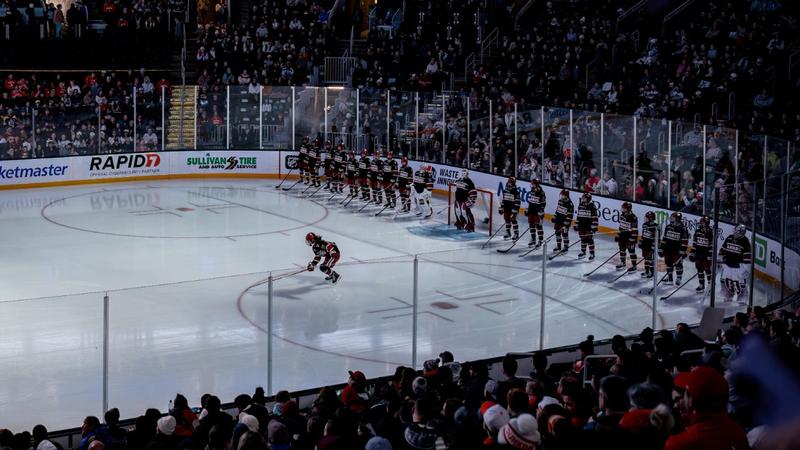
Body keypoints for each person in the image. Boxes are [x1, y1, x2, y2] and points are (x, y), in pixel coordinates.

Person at [718, 224, 752, 302]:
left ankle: (742, 297)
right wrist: (720, 258)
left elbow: (747, 257)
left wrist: (746, 269)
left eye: (736, 230)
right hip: (727, 265)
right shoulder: (729, 237)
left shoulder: (745, 241)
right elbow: (722, 249)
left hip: (738, 267)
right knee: (726, 280)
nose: (734, 232)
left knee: (738, 282)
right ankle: (728, 294)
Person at [660, 212, 688, 285]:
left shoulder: (683, 228)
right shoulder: (668, 227)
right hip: (668, 248)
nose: (671, 219)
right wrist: (661, 248)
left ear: (677, 219)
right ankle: (670, 278)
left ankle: (679, 278)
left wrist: (683, 251)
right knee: (668, 263)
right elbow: (664, 238)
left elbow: (685, 241)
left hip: (677, 250)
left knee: (678, 264)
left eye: (673, 218)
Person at [690, 216, 714, 292]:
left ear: (706, 223)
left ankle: (710, 286)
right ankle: (701, 285)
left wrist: (710, 255)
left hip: (706, 255)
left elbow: (711, 245)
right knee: (699, 270)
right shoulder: (697, 231)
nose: (701, 224)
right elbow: (694, 243)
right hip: (698, 254)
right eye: (701, 222)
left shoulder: (710, 232)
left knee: (707, 270)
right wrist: (692, 253)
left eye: (703, 222)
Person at [575, 192, 598, 259]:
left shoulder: (592, 206)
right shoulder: (581, 205)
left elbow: (595, 218)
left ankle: (592, 254)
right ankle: (583, 252)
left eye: (584, 198)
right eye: (583, 198)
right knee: (583, 239)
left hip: (589, 226)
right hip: (581, 225)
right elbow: (578, 216)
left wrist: (594, 227)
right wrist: (576, 224)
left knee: (590, 240)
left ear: (588, 199)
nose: (583, 199)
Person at [616, 202, 639, 271]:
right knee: (622, 250)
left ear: (628, 209)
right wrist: (618, 234)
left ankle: (634, 266)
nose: (622, 209)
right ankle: (623, 263)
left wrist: (631, 240)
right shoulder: (622, 215)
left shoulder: (633, 217)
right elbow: (621, 226)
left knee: (631, 251)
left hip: (630, 238)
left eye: (624, 208)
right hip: (622, 237)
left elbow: (634, 230)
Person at [526, 178, 546, 247]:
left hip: (538, 212)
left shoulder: (541, 192)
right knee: (531, 225)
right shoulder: (532, 190)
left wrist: (541, 211)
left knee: (538, 226)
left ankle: (540, 240)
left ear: (536, 184)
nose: (532, 185)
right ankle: (533, 240)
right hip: (531, 210)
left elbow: (543, 203)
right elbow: (531, 201)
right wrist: (528, 209)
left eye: (533, 184)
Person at [640, 211, 658, 278]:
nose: (645, 219)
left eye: (647, 218)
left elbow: (656, 238)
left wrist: (653, 246)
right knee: (646, 258)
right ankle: (646, 271)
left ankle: (652, 272)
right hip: (645, 244)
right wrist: (641, 241)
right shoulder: (644, 224)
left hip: (651, 245)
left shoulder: (655, 226)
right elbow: (643, 234)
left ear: (651, 218)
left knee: (651, 260)